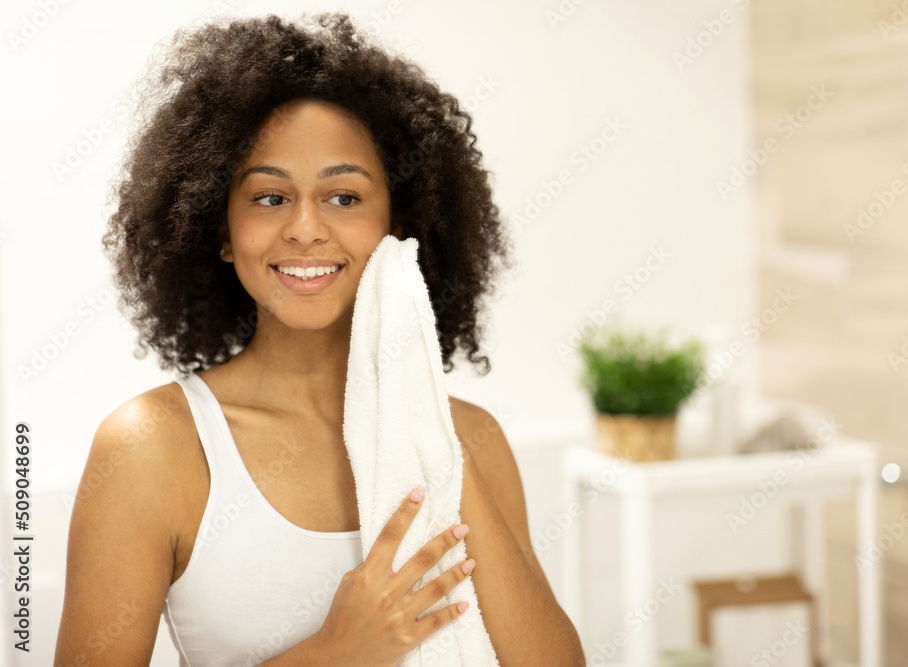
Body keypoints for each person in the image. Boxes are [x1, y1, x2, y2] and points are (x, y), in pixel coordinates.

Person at [54, 12, 585, 666]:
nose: (306, 229)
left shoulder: (467, 437)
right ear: (219, 229)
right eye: (270, 198)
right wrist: (335, 652)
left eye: (344, 196)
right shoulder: (153, 446)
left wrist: (422, 416)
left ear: (401, 223)